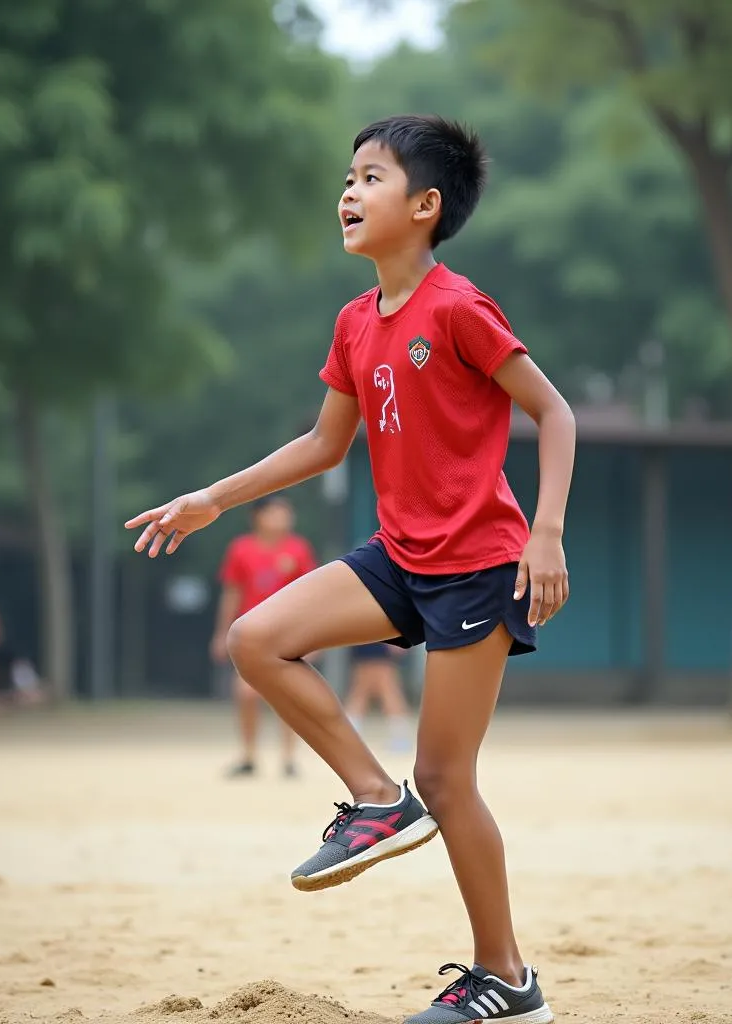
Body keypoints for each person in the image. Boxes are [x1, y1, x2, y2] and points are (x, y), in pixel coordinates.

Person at [127, 114, 574, 1024]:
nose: (349, 192)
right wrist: (214, 498)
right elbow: (326, 445)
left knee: (449, 781)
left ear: (425, 205)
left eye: (371, 177)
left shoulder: (458, 307)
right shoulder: (354, 323)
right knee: (256, 640)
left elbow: (555, 413)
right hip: (399, 555)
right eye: (348, 177)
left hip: (479, 565)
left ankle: (509, 980)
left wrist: (548, 532)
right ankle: (374, 798)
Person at [210, 494, 316, 778]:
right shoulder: (241, 549)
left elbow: (311, 595)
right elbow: (232, 593)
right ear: (257, 517)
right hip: (251, 633)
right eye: (275, 512)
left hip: (288, 633)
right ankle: (248, 755)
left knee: (289, 695)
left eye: (286, 512)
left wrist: (314, 637)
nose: (283, 517)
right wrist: (221, 634)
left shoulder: (298, 549)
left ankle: (289, 757)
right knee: (245, 693)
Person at [345, 643, 412, 752]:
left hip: (380, 641)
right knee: (363, 685)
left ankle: (400, 737)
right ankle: (400, 736)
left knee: (383, 685)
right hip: (368, 639)